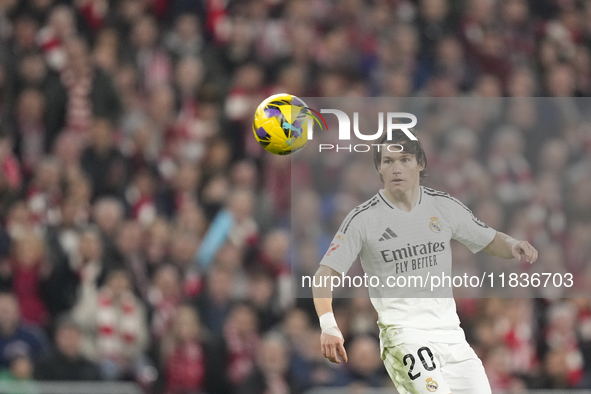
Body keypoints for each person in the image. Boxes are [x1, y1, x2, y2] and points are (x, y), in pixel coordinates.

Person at [312, 129, 538, 394]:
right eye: (388, 161)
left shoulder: (443, 207)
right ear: (379, 168)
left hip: (452, 336)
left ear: (420, 163)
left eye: (405, 159)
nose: (396, 168)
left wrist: (513, 245)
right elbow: (324, 274)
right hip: (405, 336)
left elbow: (488, 239)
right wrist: (328, 325)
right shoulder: (363, 219)